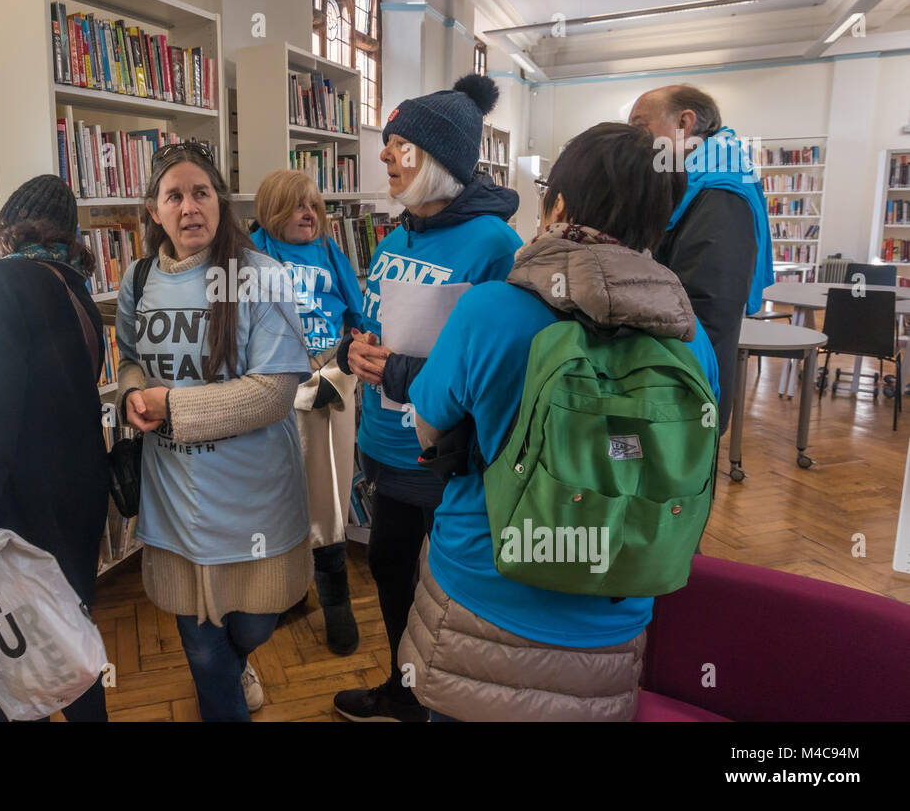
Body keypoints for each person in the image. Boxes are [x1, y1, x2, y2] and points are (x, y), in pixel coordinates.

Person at [398, 122, 720, 721]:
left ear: (559, 205)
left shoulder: (492, 307)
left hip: (480, 590)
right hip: (614, 606)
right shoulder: (690, 336)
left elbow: (428, 424)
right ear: (660, 223)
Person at [331, 74, 521, 722]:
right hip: (383, 442)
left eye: (399, 145)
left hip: (445, 453)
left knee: (447, 593)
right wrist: (351, 349)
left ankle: (443, 699)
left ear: (435, 161)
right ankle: (405, 688)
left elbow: (504, 357)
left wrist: (408, 370)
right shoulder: (393, 237)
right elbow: (372, 322)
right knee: (388, 566)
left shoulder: (495, 245)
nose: (384, 155)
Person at [116, 142, 313, 721]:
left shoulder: (262, 276)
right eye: (173, 196)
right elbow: (130, 358)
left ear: (220, 204)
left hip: (254, 498)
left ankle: (239, 662)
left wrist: (170, 406)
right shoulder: (138, 278)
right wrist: (130, 392)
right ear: (154, 211)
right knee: (202, 647)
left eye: (200, 192)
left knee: (253, 623)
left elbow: (273, 393)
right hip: (175, 499)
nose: (188, 207)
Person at [0, 174, 111, 722]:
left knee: (14, 660)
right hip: (78, 501)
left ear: (5, 230)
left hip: (17, 509)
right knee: (68, 642)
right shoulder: (72, 284)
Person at [250, 169, 365, 655]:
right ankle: (284, 592)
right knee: (277, 495)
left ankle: (334, 593)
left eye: (314, 206)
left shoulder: (329, 253)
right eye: (298, 206)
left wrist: (350, 355)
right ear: (274, 210)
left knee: (330, 495)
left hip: (330, 381)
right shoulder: (249, 254)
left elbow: (359, 319)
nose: (309, 215)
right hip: (274, 388)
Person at [628, 84, 771, 433]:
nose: (633, 140)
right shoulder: (697, 183)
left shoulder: (720, 193)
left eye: (640, 126)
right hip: (674, 381)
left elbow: (703, 307)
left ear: (684, 123)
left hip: (686, 391)